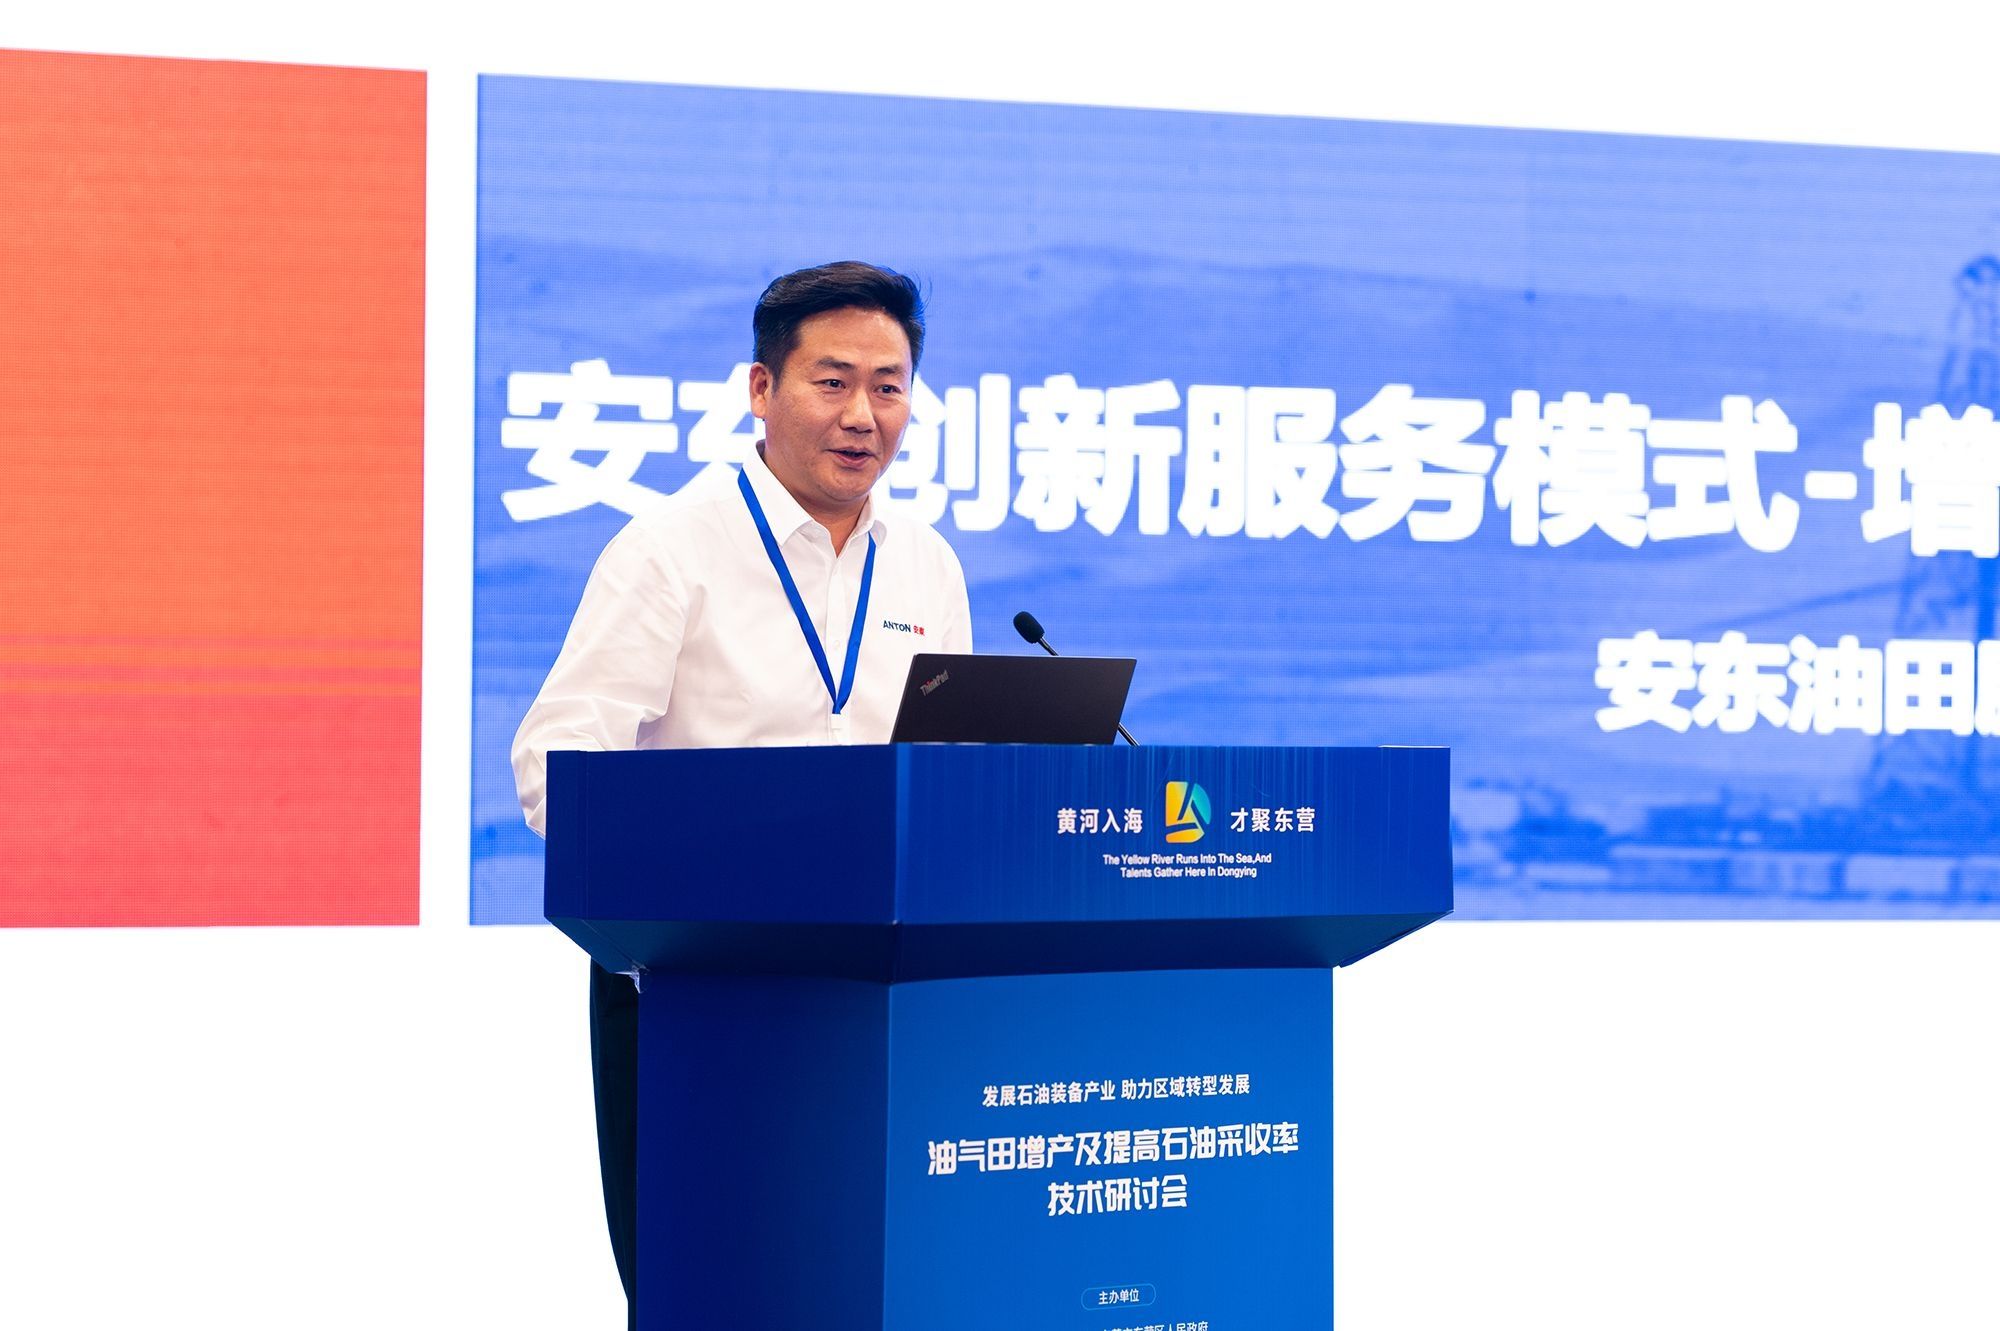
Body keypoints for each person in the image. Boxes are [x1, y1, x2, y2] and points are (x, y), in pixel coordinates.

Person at [510, 261, 972, 1328]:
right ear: (761, 388)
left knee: (874, 1287)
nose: (863, 415)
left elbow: (950, 769)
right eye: (832, 381)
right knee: (714, 1290)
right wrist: (702, 864)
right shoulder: (670, 550)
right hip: (697, 999)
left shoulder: (926, 565)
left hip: (881, 999)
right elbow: (556, 766)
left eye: (890, 387)